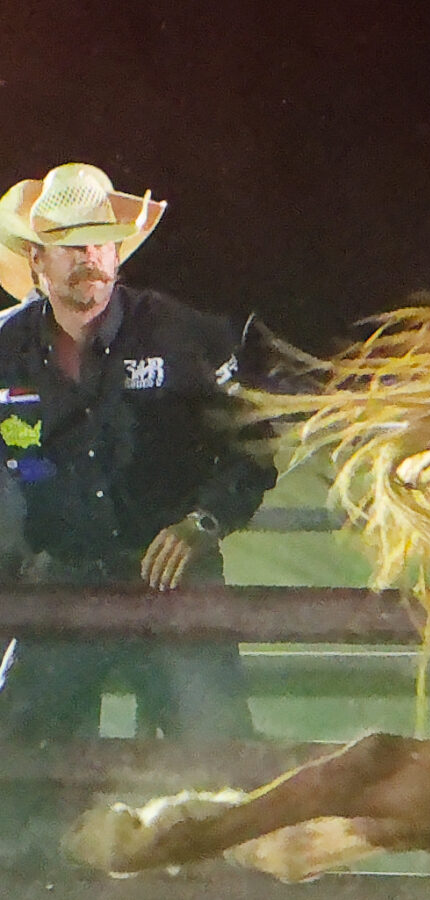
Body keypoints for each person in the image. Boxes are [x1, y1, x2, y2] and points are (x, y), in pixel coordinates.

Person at [0, 164, 275, 756]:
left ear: (118, 253)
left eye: (99, 241)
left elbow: (251, 445)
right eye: (69, 245)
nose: (88, 257)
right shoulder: (4, 350)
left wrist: (204, 521)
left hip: (172, 581)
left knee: (219, 758)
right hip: (61, 582)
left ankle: (218, 843)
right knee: (18, 765)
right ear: (37, 262)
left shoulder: (187, 337)